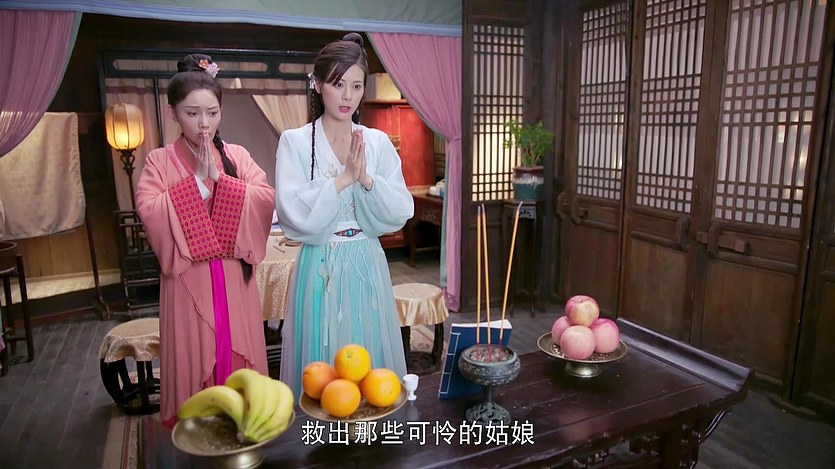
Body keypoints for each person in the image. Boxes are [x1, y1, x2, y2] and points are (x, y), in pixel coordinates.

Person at [135, 53, 275, 427]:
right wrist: (196, 182)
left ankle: (246, 425)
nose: (203, 123)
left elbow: (264, 197)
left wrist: (221, 181)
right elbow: (149, 209)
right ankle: (196, 433)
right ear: (173, 113)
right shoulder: (159, 161)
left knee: (237, 352)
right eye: (192, 113)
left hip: (233, 277)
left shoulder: (237, 156)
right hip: (187, 279)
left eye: (212, 113)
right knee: (196, 354)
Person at [275, 33, 413, 397]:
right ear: (318, 85)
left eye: (356, 86)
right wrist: (341, 181)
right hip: (319, 263)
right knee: (322, 364)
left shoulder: (377, 142)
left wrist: (366, 180)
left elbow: (400, 209)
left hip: (367, 259)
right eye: (338, 85)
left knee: (370, 361)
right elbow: (292, 214)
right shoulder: (295, 142)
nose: (347, 96)